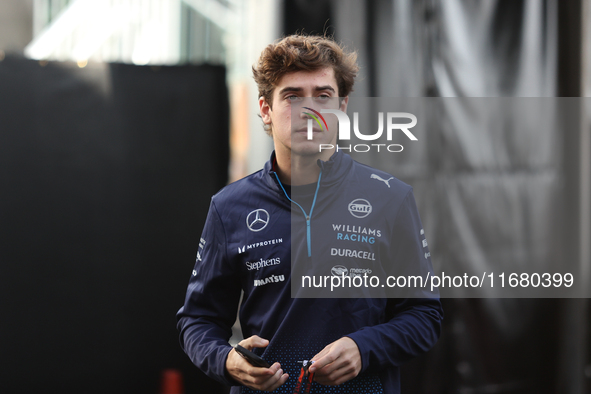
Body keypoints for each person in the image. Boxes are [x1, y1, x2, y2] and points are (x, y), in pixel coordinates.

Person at [177, 34, 443, 394]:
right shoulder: (229, 207)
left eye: (323, 95)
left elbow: (424, 315)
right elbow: (198, 320)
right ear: (266, 109)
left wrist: (365, 348)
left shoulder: (391, 199)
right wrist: (225, 360)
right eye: (292, 96)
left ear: (342, 107)